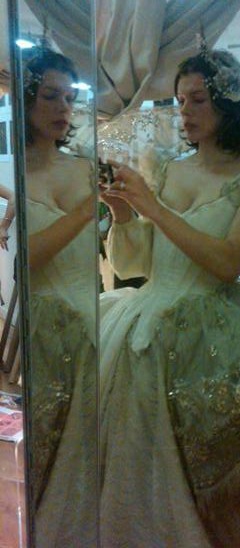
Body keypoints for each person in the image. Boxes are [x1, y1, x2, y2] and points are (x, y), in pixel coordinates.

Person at [99, 44, 240, 547]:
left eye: (197, 100)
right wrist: (122, 211)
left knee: (212, 473)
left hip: (217, 331)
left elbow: (228, 262)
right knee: (142, 464)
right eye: (179, 100)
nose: (184, 112)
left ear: (228, 103)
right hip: (146, 325)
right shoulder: (169, 168)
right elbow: (136, 266)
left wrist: (154, 208)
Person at [22, 48, 98, 546]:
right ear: (25, 98)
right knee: (43, 451)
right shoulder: (7, 171)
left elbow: (115, 252)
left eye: (70, 98)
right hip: (37, 328)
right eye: (51, 96)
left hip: (92, 318)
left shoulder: (86, 167)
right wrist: (88, 210)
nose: (63, 108)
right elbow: (23, 258)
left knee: (88, 451)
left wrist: (128, 214)